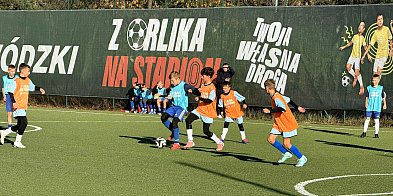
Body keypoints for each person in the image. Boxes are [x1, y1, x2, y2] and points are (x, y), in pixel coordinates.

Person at [262, 79, 307, 167]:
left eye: (265, 87)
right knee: (271, 139)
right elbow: (289, 100)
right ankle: (286, 153)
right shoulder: (277, 96)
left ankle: (302, 158)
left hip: (286, 122)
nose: (265, 89)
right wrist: (297, 107)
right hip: (279, 122)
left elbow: (282, 108)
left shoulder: (277, 97)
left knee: (287, 144)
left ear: (267, 88)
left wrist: (269, 111)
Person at [1, 63, 45, 148]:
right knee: (24, 123)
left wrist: (39, 89)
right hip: (17, 106)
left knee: (19, 125)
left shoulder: (28, 80)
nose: (29, 73)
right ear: (23, 71)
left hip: (23, 106)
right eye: (28, 71)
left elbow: (32, 87)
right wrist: (13, 102)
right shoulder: (16, 80)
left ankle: (4, 132)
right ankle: (17, 142)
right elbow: (10, 92)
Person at [184, 67, 224, 151]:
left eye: (203, 75)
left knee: (206, 131)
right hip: (200, 109)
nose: (201, 77)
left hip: (208, 112)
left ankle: (219, 142)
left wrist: (200, 99)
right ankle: (190, 141)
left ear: (208, 76)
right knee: (188, 120)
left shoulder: (212, 88)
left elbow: (209, 100)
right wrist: (193, 91)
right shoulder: (203, 85)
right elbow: (200, 92)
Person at [160, 72, 197, 150]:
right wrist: (166, 97)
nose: (171, 82)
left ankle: (176, 143)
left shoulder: (185, 85)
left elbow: (194, 90)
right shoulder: (172, 87)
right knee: (163, 117)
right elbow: (171, 96)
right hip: (174, 106)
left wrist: (192, 91)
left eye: (172, 80)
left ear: (177, 79)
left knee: (174, 122)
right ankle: (174, 131)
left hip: (182, 108)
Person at [339, 22, 367, 95]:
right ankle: (355, 76)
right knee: (348, 67)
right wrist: (344, 47)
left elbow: (365, 47)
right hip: (352, 55)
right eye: (359, 25)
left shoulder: (363, 38)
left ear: (363, 29)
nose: (360, 27)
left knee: (357, 72)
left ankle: (361, 86)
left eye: (361, 26)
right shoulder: (354, 36)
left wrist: (368, 55)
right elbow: (350, 43)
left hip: (358, 57)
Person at [361, 14, 393, 78]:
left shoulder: (386, 29)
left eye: (381, 19)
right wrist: (364, 56)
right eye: (378, 19)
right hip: (377, 55)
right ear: (376, 21)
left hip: (384, 54)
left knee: (378, 70)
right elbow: (370, 45)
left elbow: (390, 40)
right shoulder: (375, 33)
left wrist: (391, 50)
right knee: (374, 74)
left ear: (383, 21)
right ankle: (376, 87)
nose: (380, 21)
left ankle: (377, 86)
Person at [360, 74, 387, 138]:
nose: (373, 81)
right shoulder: (369, 88)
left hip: (377, 107)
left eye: (375, 80)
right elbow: (367, 96)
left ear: (378, 80)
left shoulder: (380, 88)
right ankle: (364, 132)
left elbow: (383, 97)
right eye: (373, 80)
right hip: (370, 106)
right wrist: (366, 103)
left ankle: (376, 134)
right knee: (367, 119)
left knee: (376, 120)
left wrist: (385, 104)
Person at [1, 65, 18, 130]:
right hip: (8, 96)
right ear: (8, 71)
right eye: (11, 71)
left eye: (14, 71)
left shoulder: (17, 77)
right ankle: (9, 127)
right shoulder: (4, 78)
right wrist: (4, 96)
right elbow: (3, 88)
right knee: (9, 113)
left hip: (15, 96)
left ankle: (18, 126)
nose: (13, 72)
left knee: (16, 112)